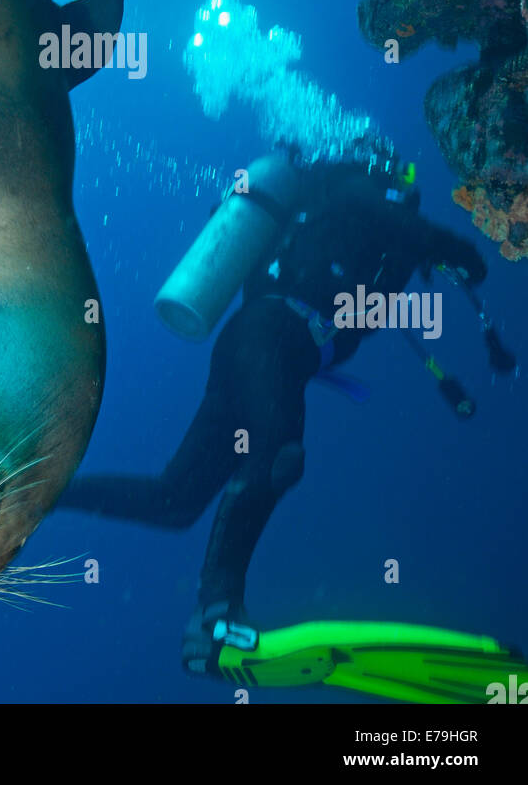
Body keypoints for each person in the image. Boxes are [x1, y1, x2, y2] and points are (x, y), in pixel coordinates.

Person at [58, 151, 487, 677]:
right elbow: (404, 225)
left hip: (256, 343)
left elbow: (390, 249)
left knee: (174, 500)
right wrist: (463, 251)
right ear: (385, 172)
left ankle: (39, 492)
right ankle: (217, 617)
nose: (408, 189)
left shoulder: (344, 220)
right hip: (272, 339)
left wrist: (423, 254)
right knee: (277, 453)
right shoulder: (351, 189)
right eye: (406, 178)